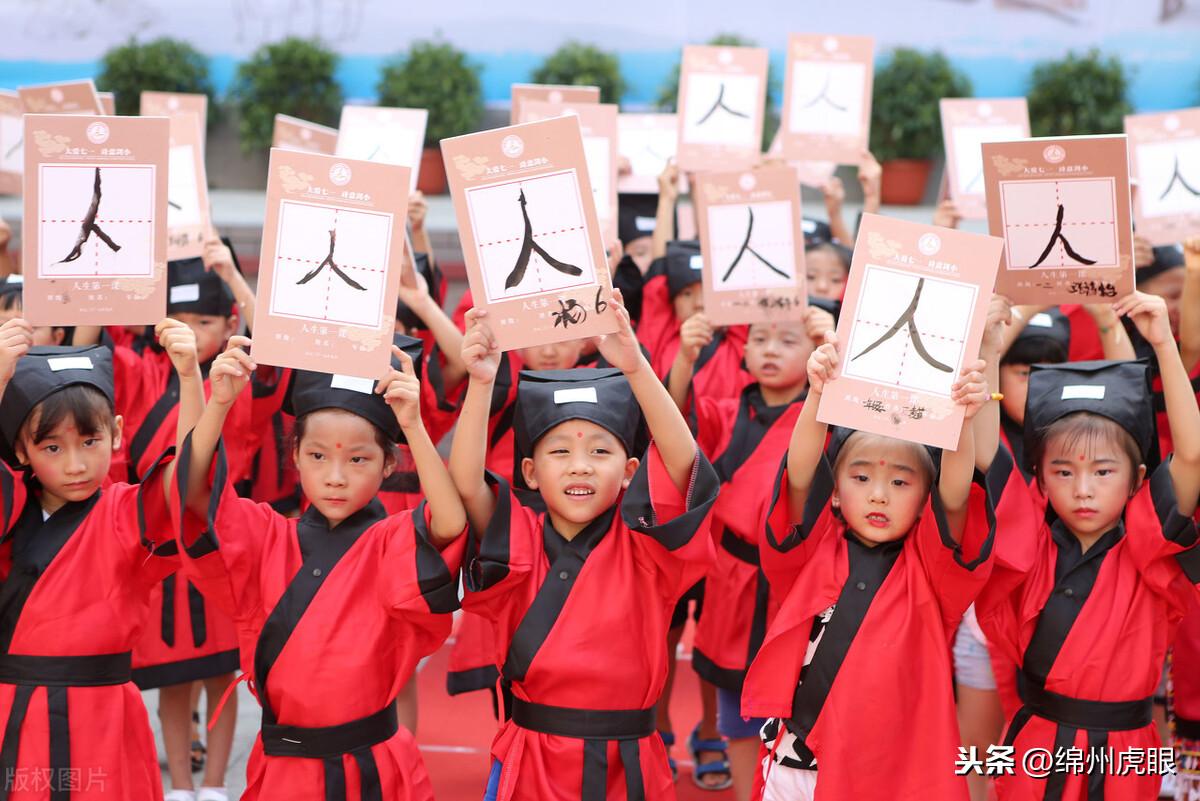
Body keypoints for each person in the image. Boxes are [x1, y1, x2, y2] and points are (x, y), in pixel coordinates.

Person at [173, 333, 466, 801]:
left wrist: (413, 426)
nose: (335, 476)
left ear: (389, 466)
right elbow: (192, 495)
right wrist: (217, 403)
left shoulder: (391, 540)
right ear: (294, 457)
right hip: (286, 770)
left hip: (375, 764)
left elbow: (450, 521)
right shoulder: (268, 535)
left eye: (358, 460)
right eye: (317, 456)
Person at [450, 292, 720, 800]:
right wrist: (482, 384)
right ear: (530, 471)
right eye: (559, 451)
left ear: (630, 472)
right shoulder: (519, 542)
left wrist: (637, 367)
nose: (580, 465)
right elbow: (466, 486)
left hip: (630, 763)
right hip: (532, 760)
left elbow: (687, 470)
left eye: (600, 451)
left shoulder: (646, 548)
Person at [742, 329, 996, 801]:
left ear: (925, 502)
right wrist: (818, 396)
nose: (879, 494)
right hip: (792, 765)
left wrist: (961, 420)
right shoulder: (809, 554)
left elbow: (958, 495)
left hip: (885, 776)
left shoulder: (932, 573)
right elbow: (799, 476)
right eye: (861, 478)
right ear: (835, 491)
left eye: (901, 483)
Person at [976, 291, 1200, 801]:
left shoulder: (1150, 542)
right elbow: (988, 453)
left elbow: (1191, 454)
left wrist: (1163, 342)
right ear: (1040, 478)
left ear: (1137, 477)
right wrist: (988, 351)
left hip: (1128, 753)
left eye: (1103, 472)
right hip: (1035, 746)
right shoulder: (1029, 540)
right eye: (1063, 471)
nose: (1083, 489)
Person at [0, 318, 197, 800]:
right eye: (52, 447)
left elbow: (188, 477)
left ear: (116, 435)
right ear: (21, 450)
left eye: (90, 442)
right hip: (11, 710)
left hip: (104, 716)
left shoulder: (127, 512)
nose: (75, 464)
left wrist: (191, 378)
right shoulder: (9, 510)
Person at [668, 306, 834, 799]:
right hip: (734, 577)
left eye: (787, 341)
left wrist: (835, 347)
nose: (770, 350)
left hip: (799, 582)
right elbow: (675, 426)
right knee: (734, 703)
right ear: (741, 350)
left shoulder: (826, 412)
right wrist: (685, 355)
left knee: (801, 702)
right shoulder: (724, 411)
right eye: (760, 339)